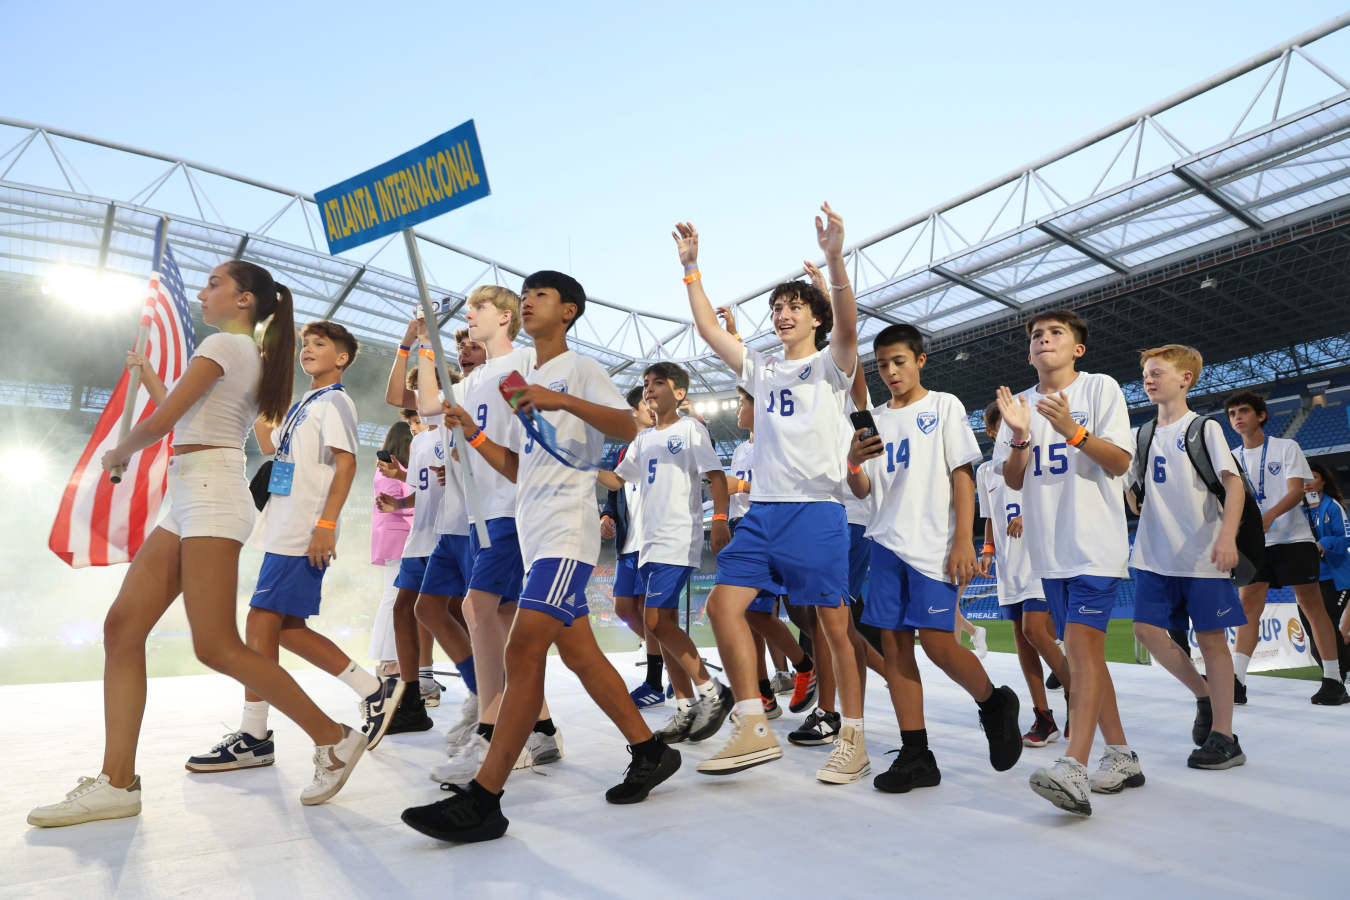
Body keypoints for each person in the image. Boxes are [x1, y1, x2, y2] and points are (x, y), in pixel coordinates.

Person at [29, 261, 365, 827]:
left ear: (245, 300)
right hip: (190, 494)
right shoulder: (237, 353)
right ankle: (118, 783)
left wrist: (121, 450)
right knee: (122, 628)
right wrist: (150, 382)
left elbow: (165, 421)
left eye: (216, 284)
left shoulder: (228, 345)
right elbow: (189, 412)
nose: (205, 292)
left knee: (215, 644)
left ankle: (333, 739)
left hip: (209, 494)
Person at [402, 270, 681, 844]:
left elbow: (627, 424)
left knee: (523, 649)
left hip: (564, 531)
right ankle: (649, 750)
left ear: (570, 311)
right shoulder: (522, 374)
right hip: (532, 530)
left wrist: (559, 399)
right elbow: (520, 467)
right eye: (524, 295)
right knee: (580, 655)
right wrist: (474, 436)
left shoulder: (578, 370)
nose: (528, 302)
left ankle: (485, 798)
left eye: (541, 296)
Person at [675, 204, 871, 785]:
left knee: (834, 630)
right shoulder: (761, 369)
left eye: (793, 307)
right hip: (762, 515)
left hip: (816, 512)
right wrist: (692, 272)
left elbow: (850, 328)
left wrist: (834, 260)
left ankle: (853, 738)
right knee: (721, 607)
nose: (782, 314)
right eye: (776, 309)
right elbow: (710, 331)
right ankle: (754, 723)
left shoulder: (831, 364)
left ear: (815, 318)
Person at [183, 320, 395, 769]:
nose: (308, 349)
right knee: (286, 628)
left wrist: (326, 523)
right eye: (305, 344)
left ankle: (255, 734)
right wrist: (264, 391)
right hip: (283, 525)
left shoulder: (335, 401)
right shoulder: (306, 403)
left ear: (341, 358)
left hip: (302, 528)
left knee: (260, 622)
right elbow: (269, 444)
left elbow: (346, 463)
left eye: (320, 344)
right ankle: (373, 690)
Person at [846, 324, 1022, 794]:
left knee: (941, 646)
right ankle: (916, 753)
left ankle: (993, 703)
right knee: (895, 648)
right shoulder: (874, 418)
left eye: (899, 361)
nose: (891, 371)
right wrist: (851, 463)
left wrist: (965, 538)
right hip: (885, 542)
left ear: (920, 360)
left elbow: (962, 475)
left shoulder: (944, 405)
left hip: (935, 545)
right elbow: (863, 490)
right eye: (882, 364)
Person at [995, 308, 1139, 817]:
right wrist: (1018, 435)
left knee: (1079, 649)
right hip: (1049, 552)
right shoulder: (1019, 406)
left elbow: (1121, 462)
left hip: (1095, 542)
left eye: (1055, 333)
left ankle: (1074, 766)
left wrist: (1073, 430)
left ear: (1077, 348)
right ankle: (1121, 754)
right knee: (1087, 657)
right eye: (1036, 335)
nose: (1043, 340)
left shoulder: (1100, 388)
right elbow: (1012, 479)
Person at [431, 287, 562, 783]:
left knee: (477, 609)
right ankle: (541, 728)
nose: (469, 315)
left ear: (505, 317)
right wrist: (421, 343)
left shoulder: (525, 363)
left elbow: (536, 435)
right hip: (480, 511)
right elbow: (425, 406)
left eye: (479, 309)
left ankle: (493, 731)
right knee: (507, 621)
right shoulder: (471, 380)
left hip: (513, 508)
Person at [600, 362, 734, 743]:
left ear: (679, 394)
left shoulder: (690, 429)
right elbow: (616, 479)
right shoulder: (641, 442)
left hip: (676, 537)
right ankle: (685, 707)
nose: (649, 389)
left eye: (658, 383)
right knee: (662, 624)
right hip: (648, 544)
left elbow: (716, 476)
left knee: (656, 622)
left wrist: (721, 517)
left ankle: (712, 691)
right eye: (645, 383)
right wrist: (582, 466)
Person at [1127, 345, 1247, 769]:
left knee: (1212, 641)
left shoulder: (1204, 429)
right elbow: (1132, 487)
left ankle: (1226, 738)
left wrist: (1227, 536)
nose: (1149, 379)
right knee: (1146, 631)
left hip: (1202, 555)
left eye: (1158, 372)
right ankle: (1203, 696)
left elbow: (1234, 486)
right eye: (1145, 373)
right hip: (1153, 556)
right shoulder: (1141, 434)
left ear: (1185, 379)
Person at [1224, 392, 1349, 705]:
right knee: (1248, 606)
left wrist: (1269, 516)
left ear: (1261, 416)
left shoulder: (1286, 447)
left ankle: (1333, 680)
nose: (1238, 417)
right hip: (1255, 544)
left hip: (1294, 539)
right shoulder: (1231, 457)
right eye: (1232, 413)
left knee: (1311, 605)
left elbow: (1296, 491)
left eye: (1244, 411)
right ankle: (1237, 681)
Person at [977, 401, 1069, 747]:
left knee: (1035, 630)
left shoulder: (1035, 460)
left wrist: (1030, 515)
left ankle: (1078, 695)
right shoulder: (986, 472)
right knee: (1023, 641)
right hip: (1007, 564)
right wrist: (987, 550)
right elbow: (990, 517)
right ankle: (1044, 716)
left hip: (1039, 558)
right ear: (990, 432)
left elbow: (1058, 501)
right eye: (1002, 426)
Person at [601, 385, 667, 707]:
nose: (636, 410)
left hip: (653, 540)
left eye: (639, 404)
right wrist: (606, 515)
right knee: (623, 608)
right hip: (629, 542)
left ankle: (655, 681)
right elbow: (615, 492)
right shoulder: (626, 450)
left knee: (650, 612)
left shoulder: (666, 440)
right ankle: (667, 656)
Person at [370, 418, 415, 676]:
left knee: (396, 597)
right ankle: (388, 659)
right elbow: (395, 501)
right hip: (398, 536)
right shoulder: (389, 471)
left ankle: (390, 658)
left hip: (395, 535)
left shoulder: (388, 469)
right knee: (393, 597)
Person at [1302, 461, 1350, 680]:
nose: (1307, 483)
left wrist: (1325, 542)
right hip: (1308, 579)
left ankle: (1337, 675)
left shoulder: (1333, 507)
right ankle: (1332, 676)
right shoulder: (1297, 510)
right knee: (1312, 630)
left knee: (1328, 625)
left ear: (1323, 480)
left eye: (1312, 477)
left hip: (1336, 577)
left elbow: (1345, 539)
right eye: (1303, 478)